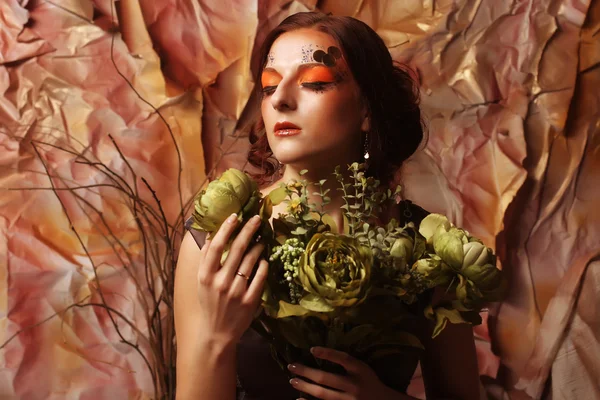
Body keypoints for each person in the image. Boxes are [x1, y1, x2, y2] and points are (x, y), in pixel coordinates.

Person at [174, 11, 481, 400]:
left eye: (314, 83)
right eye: (269, 87)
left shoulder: (430, 251)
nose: (281, 100)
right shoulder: (217, 241)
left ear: (367, 109)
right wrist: (217, 339)